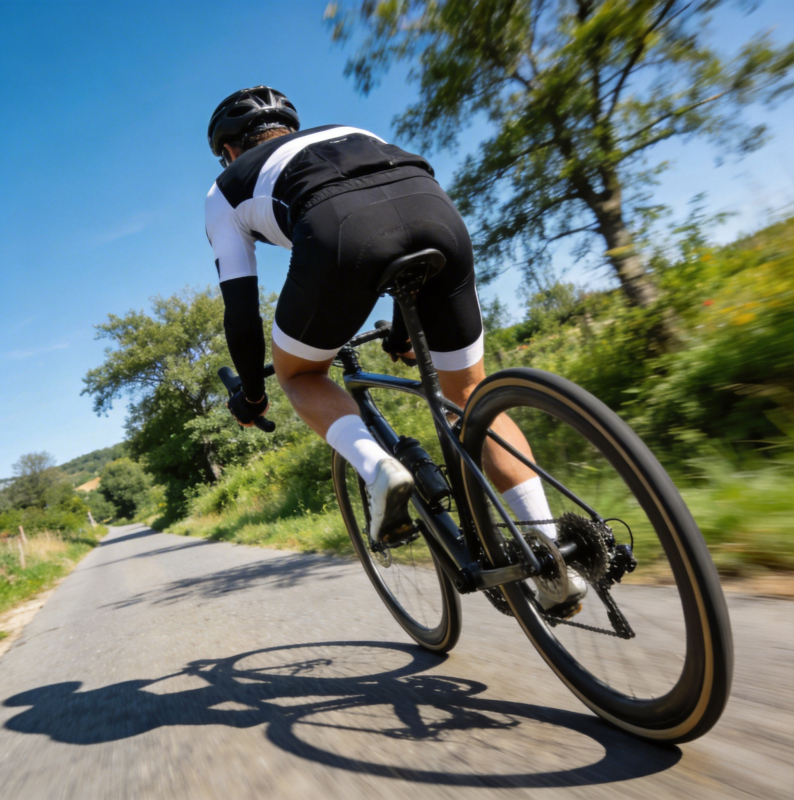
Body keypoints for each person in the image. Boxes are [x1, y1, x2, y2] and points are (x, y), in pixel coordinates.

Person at [205, 85, 585, 611]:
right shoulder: (354, 132)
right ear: (290, 126)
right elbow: (397, 224)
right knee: (469, 395)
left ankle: (377, 467)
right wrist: (406, 335)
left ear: (228, 150)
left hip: (336, 233)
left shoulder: (224, 188)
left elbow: (240, 310)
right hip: (437, 215)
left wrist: (251, 395)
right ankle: (553, 556)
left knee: (301, 375)